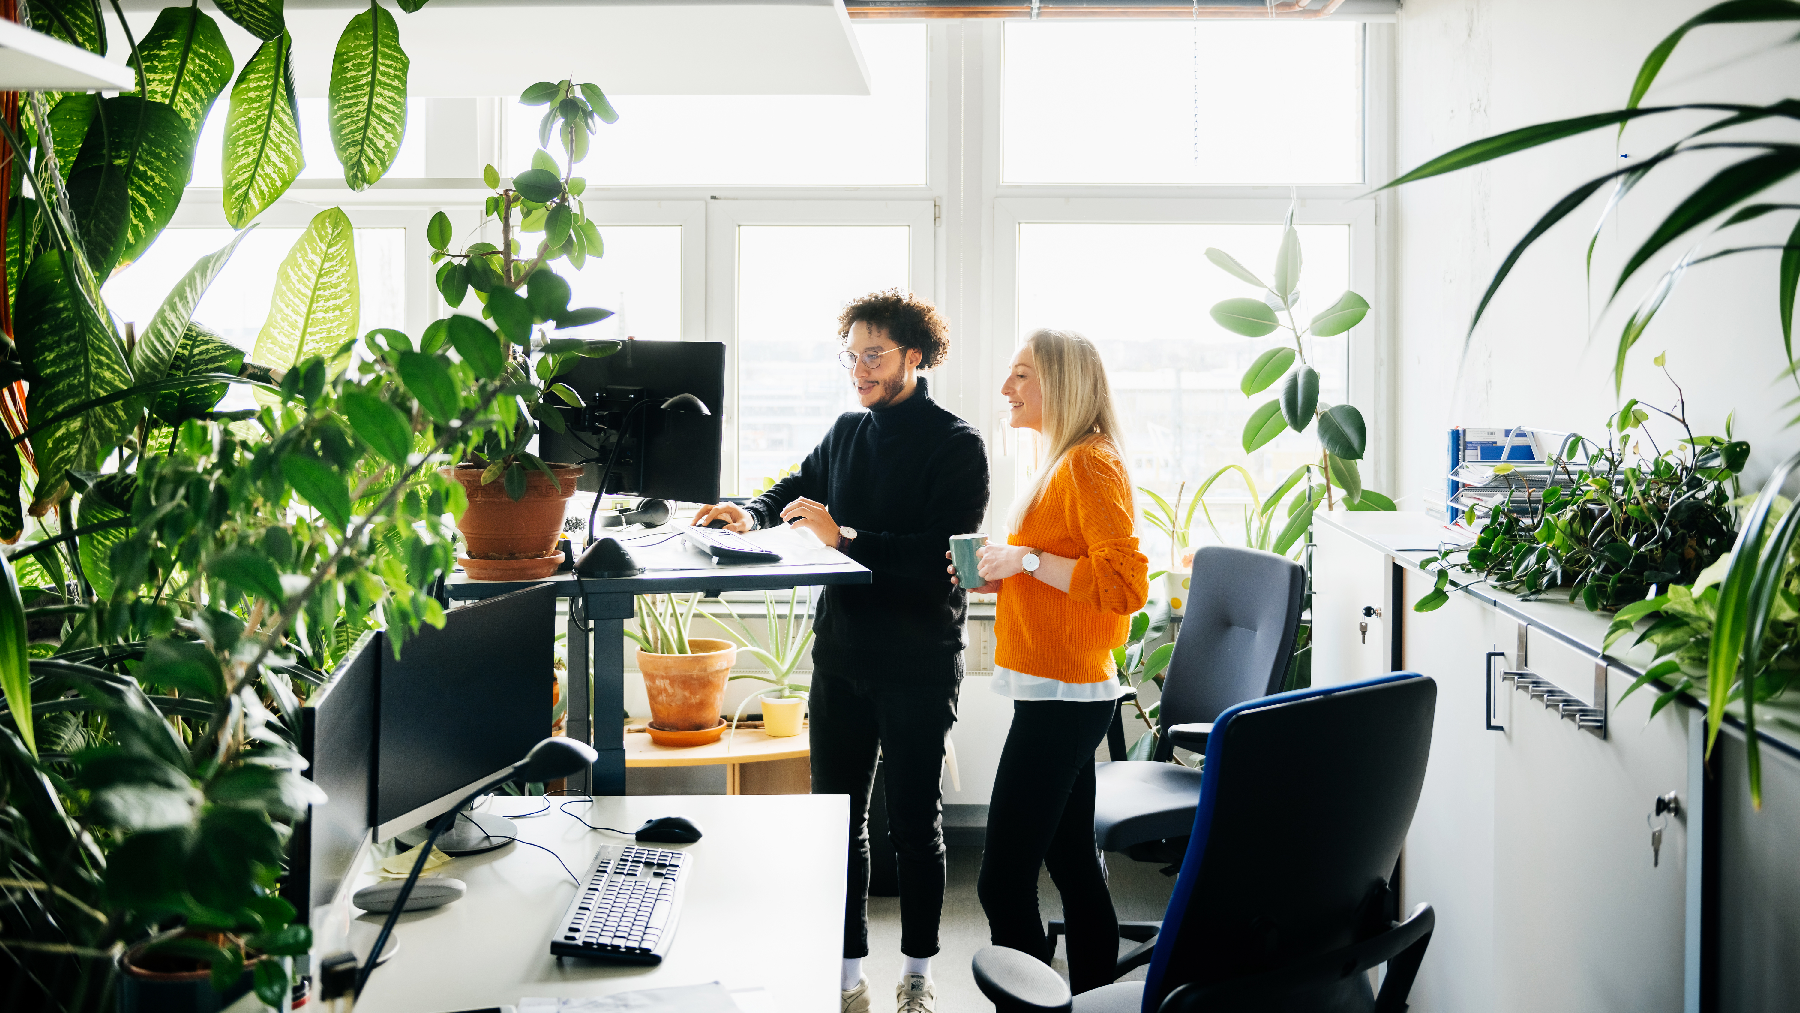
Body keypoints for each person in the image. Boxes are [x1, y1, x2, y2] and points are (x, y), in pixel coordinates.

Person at [694, 290, 988, 1013]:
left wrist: (846, 537)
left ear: (915, 356)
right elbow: (797, 488)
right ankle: (846, 973)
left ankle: (917, 975)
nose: (859, 368)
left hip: (918, 657)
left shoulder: (958, 445)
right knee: (837, 820)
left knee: (915, 823)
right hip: (844, 653)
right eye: (852, 355)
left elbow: (935, 561)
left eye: (874, 355)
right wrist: (751, 509)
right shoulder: (847, 430)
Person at [956, 328, 1148, 995]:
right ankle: (1091, 997)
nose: (1005, 388)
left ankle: (1031, 1000)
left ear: (1060, 383)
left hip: (1067, 697)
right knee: (1071, 864)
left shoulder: (1090, 463)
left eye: (1020, 376)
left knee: (1000, 879)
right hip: (1058, 688)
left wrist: (1029, 559)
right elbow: (1063, 570)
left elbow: (1124, 585)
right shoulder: (1061, 460)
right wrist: (1007, 571)